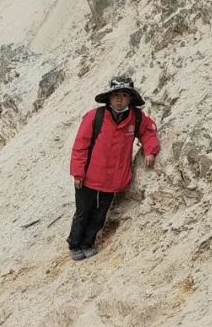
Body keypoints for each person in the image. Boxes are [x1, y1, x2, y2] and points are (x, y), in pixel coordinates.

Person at [67, 76, 160, 260]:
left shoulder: (136, 118)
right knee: (83, 212)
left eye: (124, 95)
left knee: (100, 214)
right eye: (116, 95)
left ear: (130, 99)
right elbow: (80, 146)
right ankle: (75, 244)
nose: (119, 100)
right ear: (109, 97)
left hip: (114, 178)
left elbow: (149, 132)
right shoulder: (95, 116)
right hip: (89, 176)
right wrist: (78, 173)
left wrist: (151, 150)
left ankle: (88, 243)